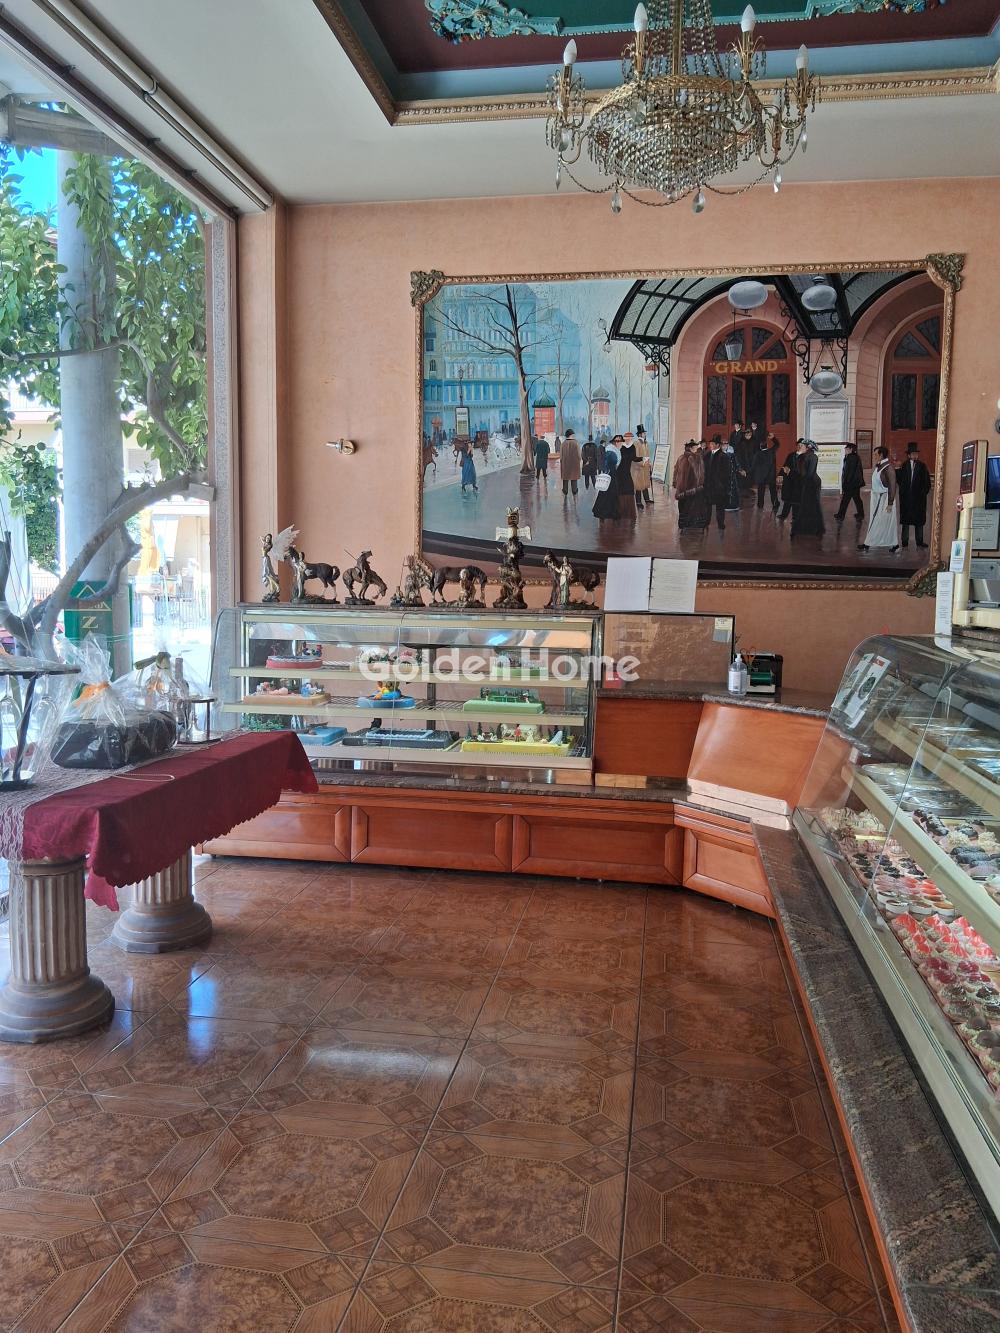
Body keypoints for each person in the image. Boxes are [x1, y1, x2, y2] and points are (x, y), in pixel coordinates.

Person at [859, 445, 900, 552]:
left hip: (884, 499)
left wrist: (890, 503)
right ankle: (870, 542)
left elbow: (892, 486)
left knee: (884, 522)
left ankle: (872, 543)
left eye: (875, 454)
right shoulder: (880, 466)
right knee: (876, 520)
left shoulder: (888, 468)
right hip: (877, 498)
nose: (874, 456)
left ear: (881, 455)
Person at [896, 441, 932, 547]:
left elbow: (927, 482)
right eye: (913, 454)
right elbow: (900, 481)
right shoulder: (904, 465)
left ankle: (919, 541)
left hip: (918, 498)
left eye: (916, 454)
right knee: (906, 521)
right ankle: (904, 541)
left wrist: (923, 493)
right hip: (907, 498)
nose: (915, 455)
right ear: (908, 455)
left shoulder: (922, 466)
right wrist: (897, 470)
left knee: (919, 521)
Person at [791, 441, 825, 537]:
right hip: (809, 482)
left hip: (811, 483)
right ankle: (810, 528)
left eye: (802, 446)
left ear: (808, 447)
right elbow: (802, 471)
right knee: (808, 504)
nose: (800, 447)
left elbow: (808, 472)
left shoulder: (809, 457)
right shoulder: (805, 456)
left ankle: (813, 528)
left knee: (811, 504)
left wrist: (803, 482)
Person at [673, 439, 707, 530]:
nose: (697, 448)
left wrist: (675, 483)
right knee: (691, 506)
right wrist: (700, 484)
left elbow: (675, 472)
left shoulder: (681, 457)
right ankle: (689, 524)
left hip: (682, 488)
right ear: (691, 448)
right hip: (692, 488)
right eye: (695, 446)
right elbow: (700, 474)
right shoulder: (696, 458)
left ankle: (682, 523)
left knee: (682, 506)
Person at [703, 437, 734, 531]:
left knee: (720, 506)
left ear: (718, 445)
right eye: (710, 444)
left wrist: (723, 485)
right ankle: (706, 522)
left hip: (719, 486)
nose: (710, 445)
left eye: (712, 444)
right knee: (707, 505)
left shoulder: (723, 456)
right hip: (708, 485)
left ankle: (720, 524)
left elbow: (727, 473)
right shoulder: (707, 455)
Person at [592, 435, 621, 521]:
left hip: (610, 472)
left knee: (605, 493)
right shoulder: (611, 451)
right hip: (611, 473)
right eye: (618, 442)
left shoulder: (610, 449)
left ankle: (603, 512)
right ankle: (610, 513)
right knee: (611, 492)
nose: (619, 443)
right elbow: (613, 462)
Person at [836, 441, 865, 525]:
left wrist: (846, 483)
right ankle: (860, 514)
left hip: (851, 483)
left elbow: (850, 472)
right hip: (855, 483)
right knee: (857, 499)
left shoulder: (851, 458)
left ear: (851, 449)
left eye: (846, 448)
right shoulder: (853, 457)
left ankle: (840, 516)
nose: (845, 450)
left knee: (846, 500)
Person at [750, 433, 779, 511]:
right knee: (773, 491)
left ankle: (760, 505)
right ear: (767, 446)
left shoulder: (757, 454)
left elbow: (753, 466)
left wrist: (749, 473)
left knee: (761, 491)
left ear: (760, 447)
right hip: (771, 475)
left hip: (761, 476)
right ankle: (775, 504)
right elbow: (777, 444)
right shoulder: (771, 451)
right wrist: (773, 438)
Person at [616, 434, 639, 524]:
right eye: (627, 438)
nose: (628, 439)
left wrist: (643, 458)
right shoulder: (620, 447)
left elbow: (634, 458)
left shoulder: (632, 447)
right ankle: (620, 512)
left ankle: (627, 513)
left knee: (628, 488)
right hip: (619, 472)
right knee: (620, 489)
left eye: (630, 438)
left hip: (626, 471)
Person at [777, 439, 803, 520]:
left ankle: (796, 519)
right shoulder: (791, 455)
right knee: (787, 499)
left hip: (798, 481)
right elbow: (785, 465)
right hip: (789, 481)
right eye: (798, 445)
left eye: (801, 445)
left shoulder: (805, 457)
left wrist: (790, 472)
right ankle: (784, 515)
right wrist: (780, 475)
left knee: (796, 502)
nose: (799, 447)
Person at [632, 425, 654, 508]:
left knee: (645, 483)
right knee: (639, 485)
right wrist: (642, 463)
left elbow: (647, 454)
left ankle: (647, 499)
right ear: (640, 434)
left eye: (645, 433)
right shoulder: (636, 443)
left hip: (645, 466)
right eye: (644, 433)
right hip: (638, 467)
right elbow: (636, 456)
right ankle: (638, 502)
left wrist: (649, 463)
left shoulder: (646, 443)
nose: (645, 434)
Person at [720, 436, 742, 511]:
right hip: (723, 477)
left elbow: (736, 463)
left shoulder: (732, 454)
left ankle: (733, 505)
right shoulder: (719, 454)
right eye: (723, 444)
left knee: (733, 491)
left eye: (726, 444)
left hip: (732, 476)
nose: (724, 446)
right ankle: (724, 505)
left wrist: (740, 469)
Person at [560, 428, 581, 497]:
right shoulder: (576, 443)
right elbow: (579, 454)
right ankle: (574, 490)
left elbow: (561, 456)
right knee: (574, 478)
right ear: (571, 435)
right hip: (574, 464)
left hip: (565, 463)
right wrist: (579, 460)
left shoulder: (563, 443)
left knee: (565, 478)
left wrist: (562, 461)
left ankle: (565, 490)